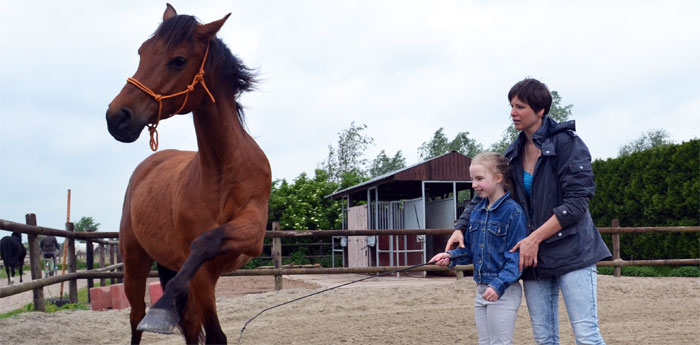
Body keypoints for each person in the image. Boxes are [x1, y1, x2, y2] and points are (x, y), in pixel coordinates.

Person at [445, 78, 611, 345]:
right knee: (544, 338)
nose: (512, 112)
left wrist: (533, 239)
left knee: (586, 335)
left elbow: (577, 204)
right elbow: (488, 193)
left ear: (540, 110)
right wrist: (460, 227)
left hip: (573, 252)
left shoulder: (568, 144)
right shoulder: (513, 153)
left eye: (520, 106)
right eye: (511, 106)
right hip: (535, 258)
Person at [431, 152, 526, 345]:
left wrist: (498, 285)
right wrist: (450, 256)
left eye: (479, 179)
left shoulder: (513, 212)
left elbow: (516, 258)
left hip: (504, 292)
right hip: (481, 290)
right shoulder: (476, 212)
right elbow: (471, 251)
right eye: (472, 179)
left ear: (499, 178)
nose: (474, 184)